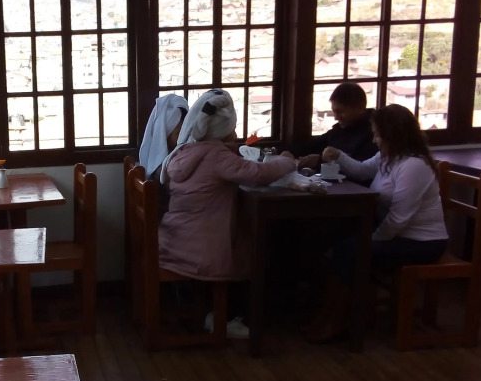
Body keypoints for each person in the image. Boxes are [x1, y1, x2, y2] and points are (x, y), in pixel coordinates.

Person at [305, 103, 448, 342]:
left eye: (378, 135)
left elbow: (398, 220)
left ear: (393, 135)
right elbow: (362, 171)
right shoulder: (388, 156)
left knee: (350, 250)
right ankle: (331, 315)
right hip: (397, 234)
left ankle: (339, 319)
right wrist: (338, 155)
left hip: (422, 243)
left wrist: (370, 240)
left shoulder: (413, 166)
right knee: (336, 239)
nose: (374, 140)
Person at [158, 89, 296, 336]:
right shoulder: (216, 155)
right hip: (201, 246)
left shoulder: (185, 150)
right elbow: (258, 174)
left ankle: (219, 312)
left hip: (177, 237)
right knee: (258, 248)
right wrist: (287, 160)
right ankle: (227, 317)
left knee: (247, 240)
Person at [287, 82, 377, 170]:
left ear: (361, 107)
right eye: (334, 112)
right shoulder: (340, 130)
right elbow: (312, 145)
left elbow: (360, 169)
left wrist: (320, 161)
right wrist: (287, 152)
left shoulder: (375, 134)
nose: (336, 118)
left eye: (340, 111)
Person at [139, 94, 188, 181]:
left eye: (185, 132)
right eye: (178, 134)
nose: (184, 137)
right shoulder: (162, 170)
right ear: (165, 136)